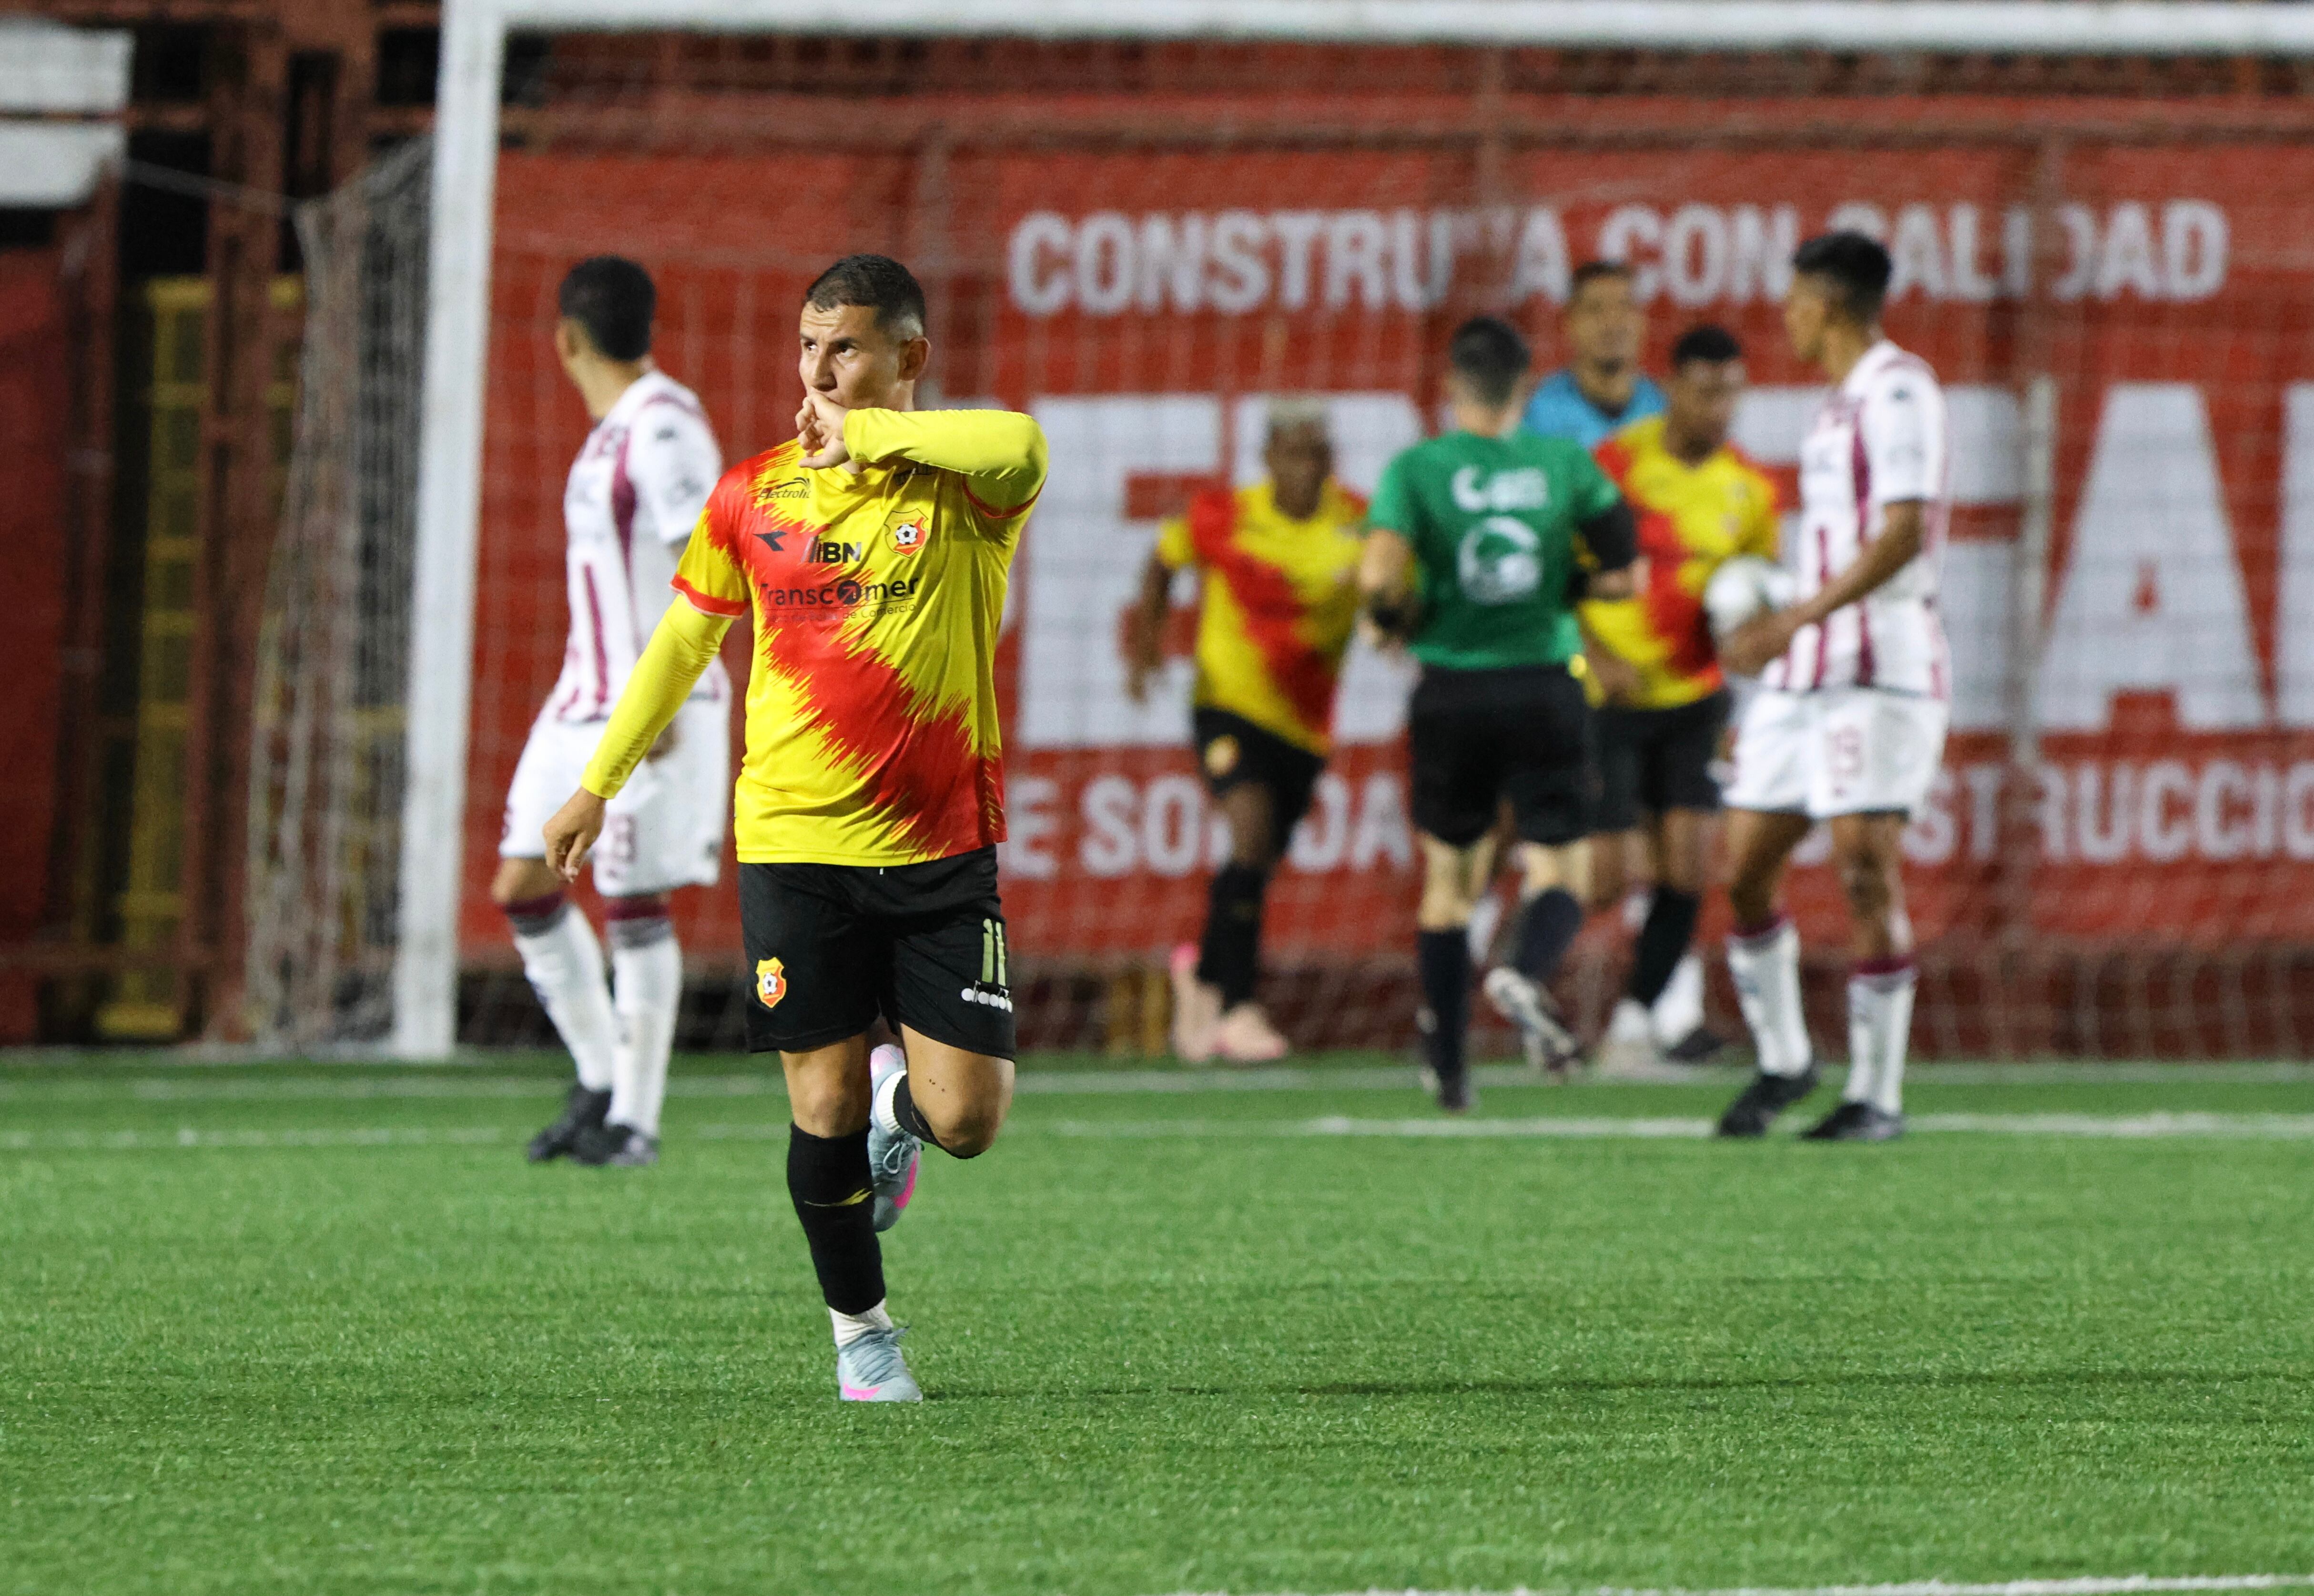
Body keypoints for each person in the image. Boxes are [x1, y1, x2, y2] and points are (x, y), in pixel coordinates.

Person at [541, 254, 1048, 1401]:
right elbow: (680, 645)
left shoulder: (958, 491)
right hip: (790, 843)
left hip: (938, 849)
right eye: (808, 346)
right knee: (813, 1105)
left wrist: (869, 439)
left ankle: (896, 1103)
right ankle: (860, 1332)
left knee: (964, 1120)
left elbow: (1019, 444)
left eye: (848, 348)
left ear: (907, 359)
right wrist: (598, 780)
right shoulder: (751, 494)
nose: (818, 370)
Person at [1360, 316, 1638, 1111]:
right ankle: (1523, 965)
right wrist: (1563, 588)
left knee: (1448, 885)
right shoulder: (1563, 463)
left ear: (1452, 385)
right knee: (1559, 869)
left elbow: (1378, 579)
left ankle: (1449, 1066)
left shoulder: (1417, 468)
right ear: (1525, 385)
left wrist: (1394, 615)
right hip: (1546, 684)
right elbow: (1624, 574)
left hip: (1451, 688)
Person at [1712, 232, 1950, 1142]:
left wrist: (1791, 618)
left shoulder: (1900, 390)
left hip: (1878, 671)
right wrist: (1778, 632)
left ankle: (1877, 1096)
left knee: (1861, 865)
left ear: (1831, 303)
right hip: (1803, 675)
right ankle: (1783, 1058)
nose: (1787, 316)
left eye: (1796, 300)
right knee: (1742, 871)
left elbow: (1900, 535)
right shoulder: (1831, 411)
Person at [500, 255, 730, 1170]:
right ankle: (600, 1077)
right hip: (577, 701)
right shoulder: (613, 433)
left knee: (634, 901)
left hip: (649, 703)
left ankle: (633, 1119)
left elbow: (705, 568)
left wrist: (661, 698)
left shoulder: (667, 426)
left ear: (565, 339)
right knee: (523, 884)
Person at [1124, 399, 1366, 1063]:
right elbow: (1162, 561)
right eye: (1294, 453)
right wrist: (1146, 646)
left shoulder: (1358, 521)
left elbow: (1396, 582)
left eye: (1318, 454)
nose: (1307, 467)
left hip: (1306, 727)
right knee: (1251, 830)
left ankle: (1200, 977)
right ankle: (1238, 1006)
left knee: (1256, 862)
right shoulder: (1223, 514)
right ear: (1268, 460)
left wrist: (1393, 617)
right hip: (1226, 706)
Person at [1583, 325, 1780, 1073]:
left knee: (1690, 871)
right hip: (1611, 695)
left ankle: (1633, 1024)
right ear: (1671, 387)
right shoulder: (1614, 469)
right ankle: (1526, 942)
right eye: (1705, 389)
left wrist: (1750, 641)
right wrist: (1593, 654)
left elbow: (1760, 599)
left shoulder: (1751, 490)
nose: (1719, 406)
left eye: (1731, 390)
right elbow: (1557, 569)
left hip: (1694, 698)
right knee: (1606, 877)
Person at [1523, 259, 1667, 447]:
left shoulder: (1664, 412)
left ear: (1643, 321)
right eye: (1595, 309)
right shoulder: (1540, 416)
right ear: (1569, 323)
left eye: (1625, 307)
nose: (1612, 322)